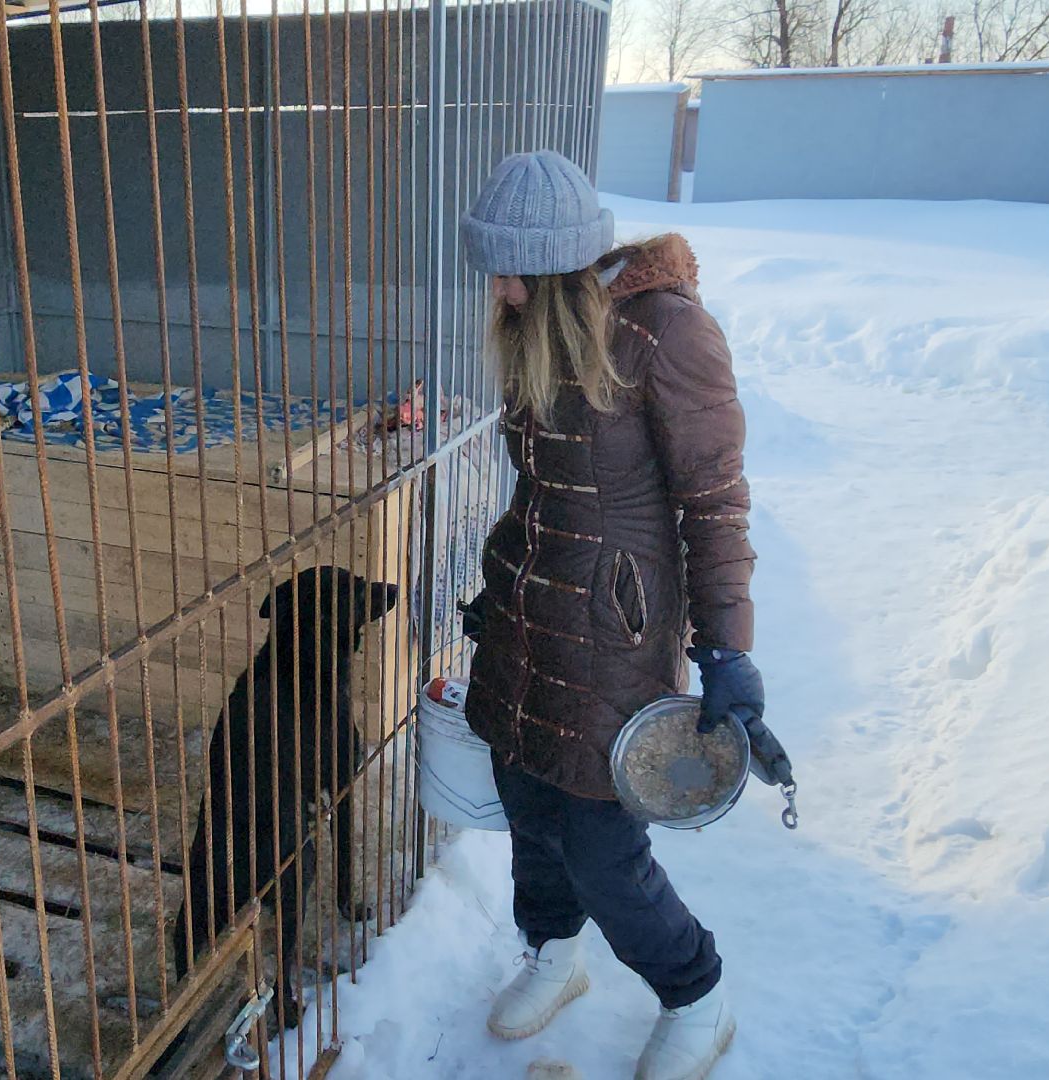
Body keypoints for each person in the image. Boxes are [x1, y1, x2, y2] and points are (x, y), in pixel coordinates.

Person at [457, 149, 766, 1080]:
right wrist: (499, 584)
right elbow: (542, 491)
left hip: (611, 630)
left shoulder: (666, 335)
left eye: (512, 271)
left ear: (555, 268)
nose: (499, 289)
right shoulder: (537, 331)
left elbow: (714, 505)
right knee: (527, 804)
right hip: (526, 616)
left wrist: (727, 652)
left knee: (599, 842)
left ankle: (697, 995)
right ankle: (555, 955)